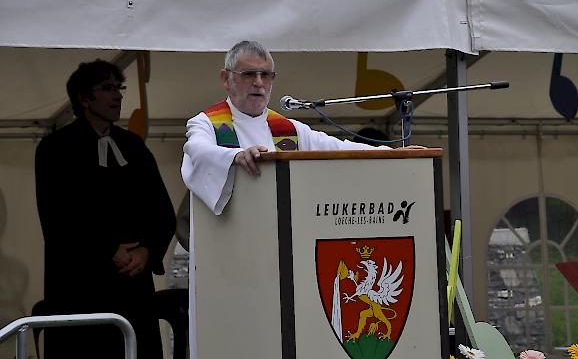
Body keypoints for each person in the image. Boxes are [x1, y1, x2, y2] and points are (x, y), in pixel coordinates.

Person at [35, 60, 176, 359]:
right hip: (80, 284)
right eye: (107, 88)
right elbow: (57, 218)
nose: (118, 96)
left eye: (119, 88)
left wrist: (147, 251)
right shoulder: (54, 149)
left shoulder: (134, 147)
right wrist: (107, 249)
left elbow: (162, 212)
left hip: (132, 287)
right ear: (84, 98)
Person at [181, 40, 423, 215]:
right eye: (249, 74)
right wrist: (236, 156)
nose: (258, 83)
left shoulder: (288, 129)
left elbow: (338, 149)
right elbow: (198, 149)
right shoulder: (206, 123)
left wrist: (393, 154)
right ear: (226, 78)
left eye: (266, 75)